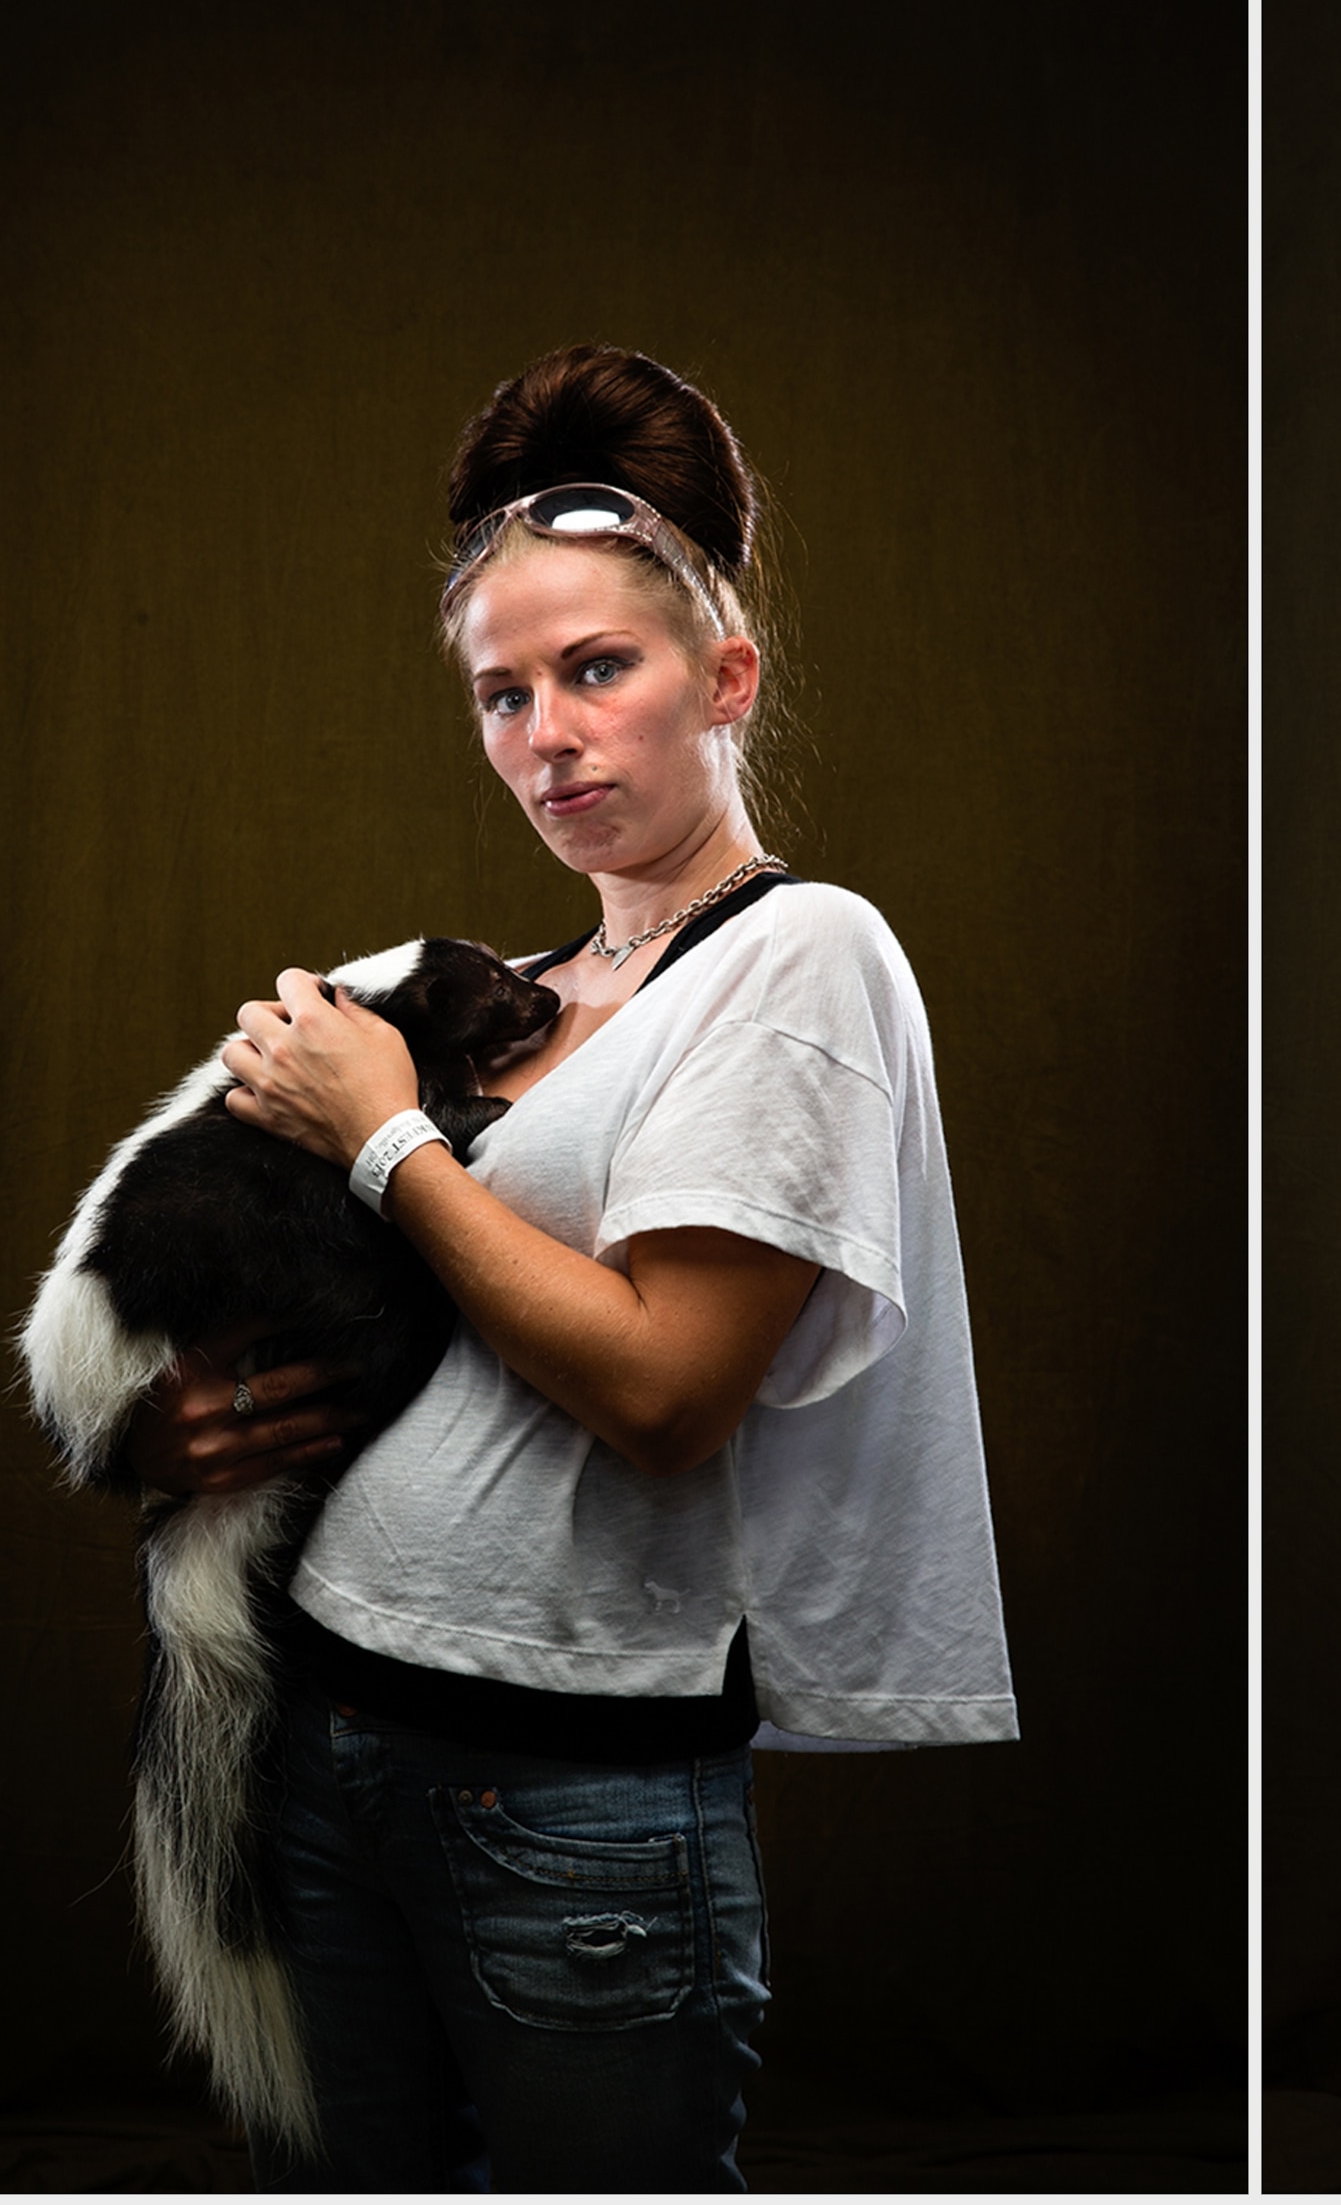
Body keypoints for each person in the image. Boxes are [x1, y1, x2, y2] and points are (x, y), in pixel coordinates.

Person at [119, 345, 1017, 2189]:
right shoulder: (509, 990)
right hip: (325, 1730)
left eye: (599, 670)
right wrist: (184, 1427)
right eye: (503, 693)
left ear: (724, 678)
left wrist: (384, 1138)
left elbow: (665, 1392)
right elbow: (379, 1329)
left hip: (567, 1789)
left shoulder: (801, 956)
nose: (549, 735)